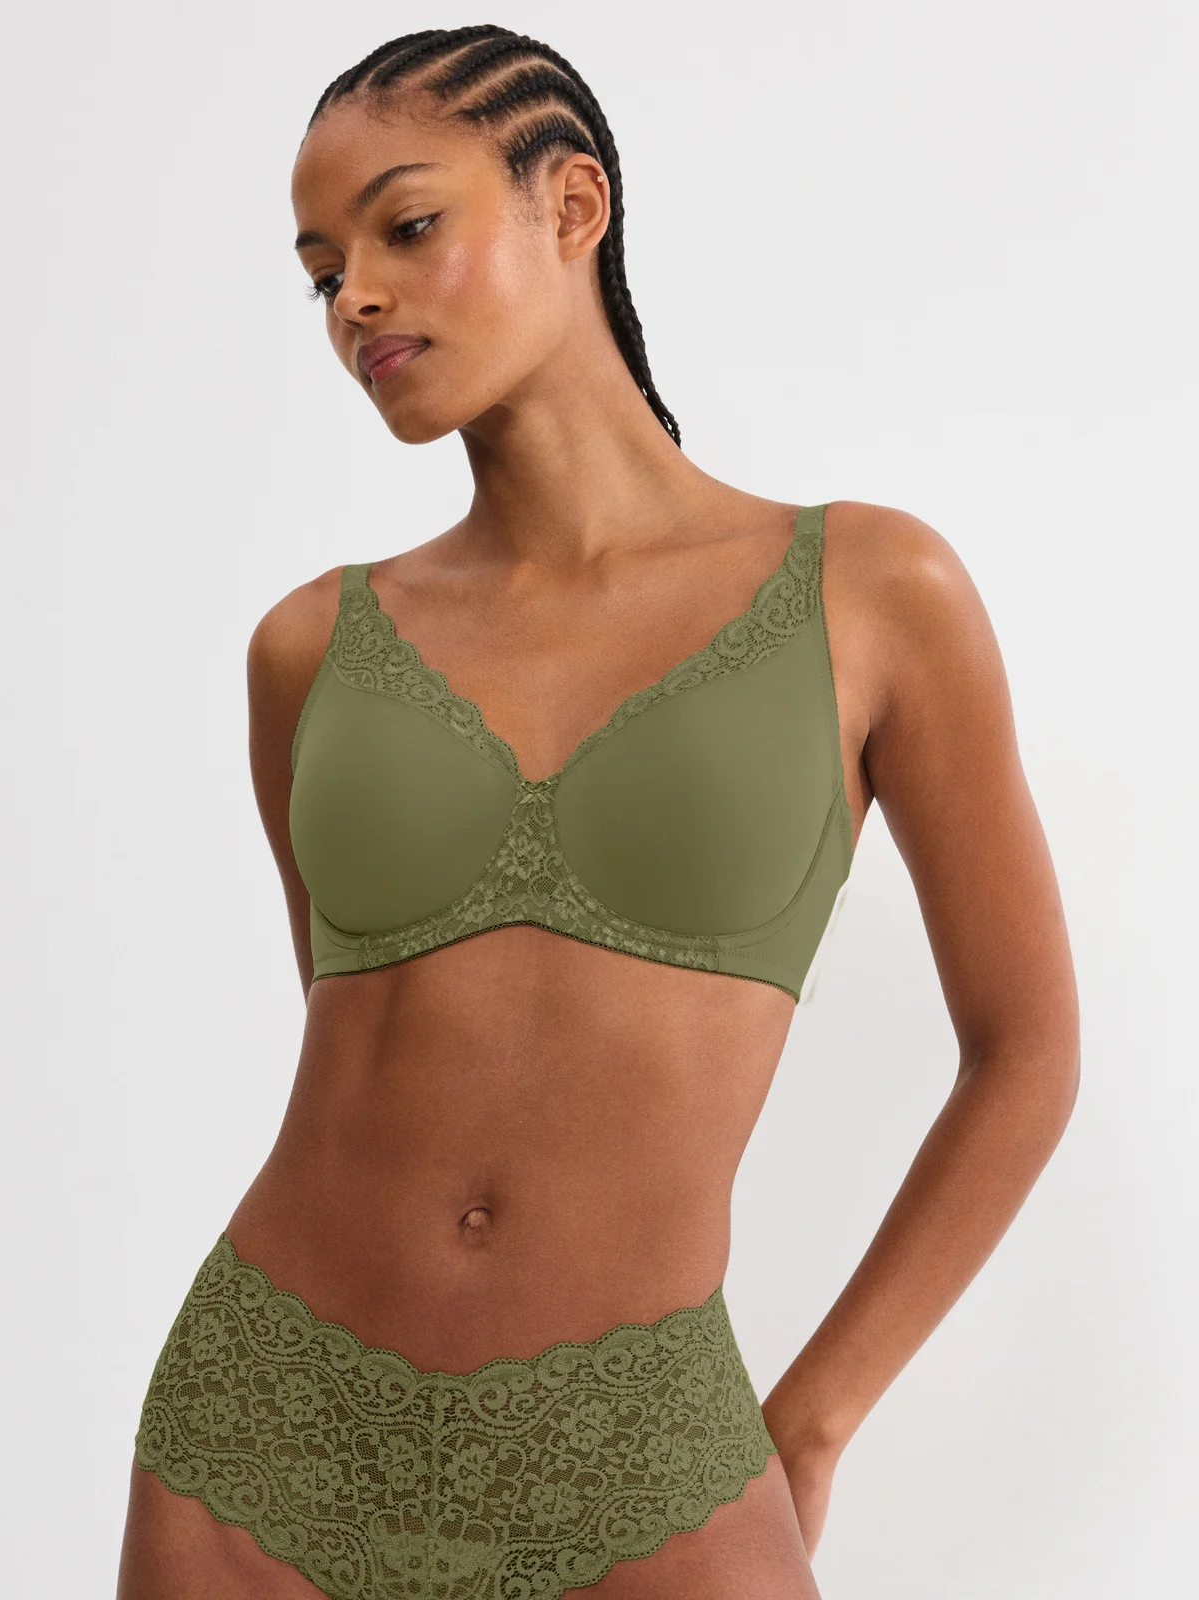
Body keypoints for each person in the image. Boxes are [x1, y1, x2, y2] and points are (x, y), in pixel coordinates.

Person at [116, 25, 1080, 1600]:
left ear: (573, 206)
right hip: (268, 1433)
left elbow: (1027, 1051)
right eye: (323, 272)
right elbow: (370, 1051)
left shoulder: (872, 591)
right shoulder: (309, 650)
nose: (355, 298)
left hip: (639, 1451)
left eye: (405, 226)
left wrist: (816, 1419)